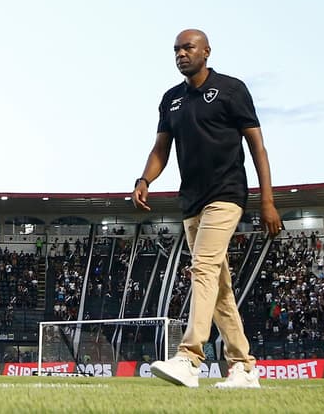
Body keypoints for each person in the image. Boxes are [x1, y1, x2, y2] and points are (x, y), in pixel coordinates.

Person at [133, 28, 281, 389]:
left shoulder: (232, 89)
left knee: (201, 268)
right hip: (191, 202)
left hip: (227, 195)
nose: (181, 54)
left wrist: (267, 200)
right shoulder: (171, 100)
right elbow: (160, 150)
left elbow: (257, 147)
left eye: (188, 48)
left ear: (206, 52)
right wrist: (144, 179)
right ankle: (244, 367)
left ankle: (190, 356)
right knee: (220, 288)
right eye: (176, 50)